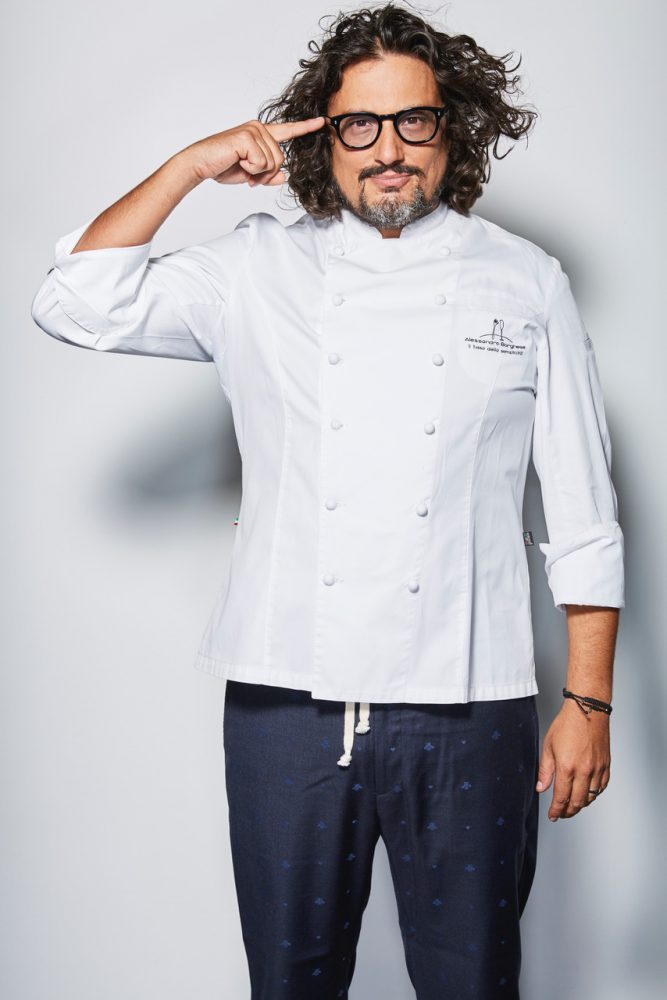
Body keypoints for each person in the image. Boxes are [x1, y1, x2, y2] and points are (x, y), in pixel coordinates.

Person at [30, 4, 624, 997]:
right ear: (323, 134)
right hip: (287, 704)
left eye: (413, 120)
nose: (387, 150)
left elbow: (584, 513)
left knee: (474, 980)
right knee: (290, 982)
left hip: (473, 702)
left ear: (452, 128)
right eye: (360, 124)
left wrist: (589, 702)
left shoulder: (525, 280)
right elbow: (74, 300)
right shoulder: (255, 268)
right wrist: (190, 166)